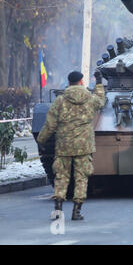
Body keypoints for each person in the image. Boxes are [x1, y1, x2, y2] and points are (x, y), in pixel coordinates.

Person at [37, 70, 105, 220]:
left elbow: (50, 125)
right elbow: (101, 101)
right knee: (81, 178)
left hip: (64, 145)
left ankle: (58, 208)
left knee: (61, 177)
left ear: (69, 83)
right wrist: (99, 84)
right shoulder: (90, 99)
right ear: (81, 82)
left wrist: (41, 140)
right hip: (84, 146)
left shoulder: (60, 101)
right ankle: (76, 211)